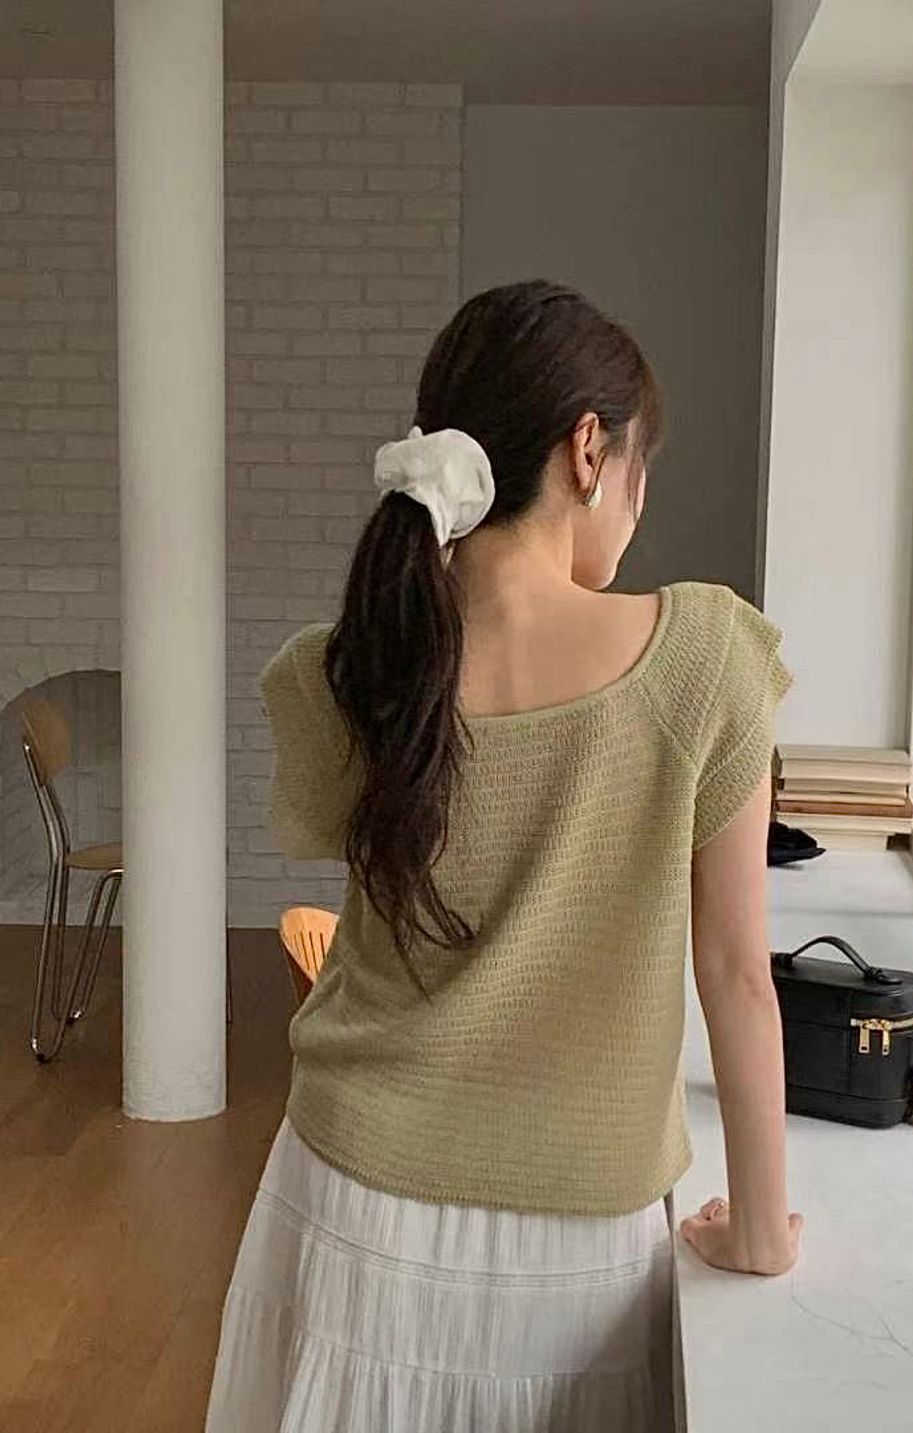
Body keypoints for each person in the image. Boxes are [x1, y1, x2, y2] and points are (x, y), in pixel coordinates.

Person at [205, 279, 803, 1433]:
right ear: (588, 450)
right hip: (577, 1240)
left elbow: (339, 834)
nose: (638, 505)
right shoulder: (707, 658)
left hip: (347, 1196)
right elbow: (736, 973)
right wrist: (762, 1228)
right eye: (640, 469)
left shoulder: (341, 669)